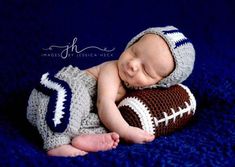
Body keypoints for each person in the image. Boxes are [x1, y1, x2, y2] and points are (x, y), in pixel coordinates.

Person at [27, 26, 195, 157]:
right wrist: (126, 131)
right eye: (133, 52)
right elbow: (104, 103)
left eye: (146, 70)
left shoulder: (138, 91)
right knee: (78, 99)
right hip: (58, 91)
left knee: (105, 124)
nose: (133, 64)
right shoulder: (111, 69)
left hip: (84, 113)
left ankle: (81, 139)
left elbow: (106, 114)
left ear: (159, 83)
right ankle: (56, 143)